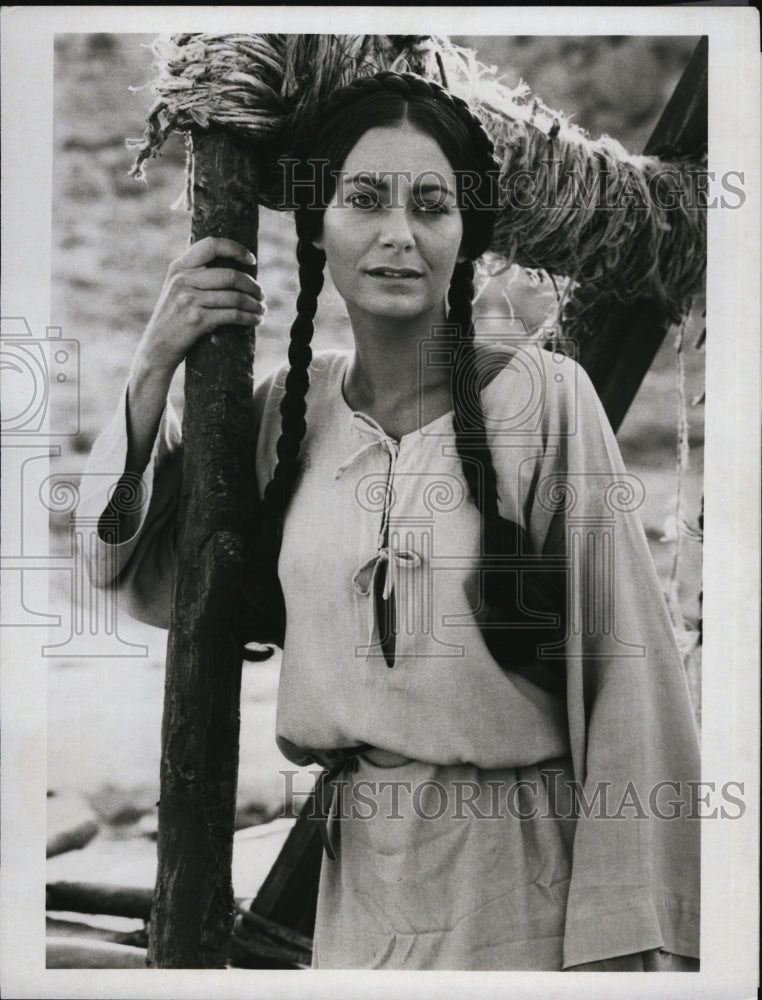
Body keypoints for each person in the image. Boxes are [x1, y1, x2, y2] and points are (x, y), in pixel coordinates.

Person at [79, 71, 700, 971]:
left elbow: (631, 689)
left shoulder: (544, 402)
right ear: (318, 228)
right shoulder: (279, 421)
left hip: (525, 885)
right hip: (357, 893)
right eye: (364, 200)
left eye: (432, 205)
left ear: (464, 235)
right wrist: (150, 372)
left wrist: (634, 944)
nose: (398, 236)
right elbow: (114, 563)